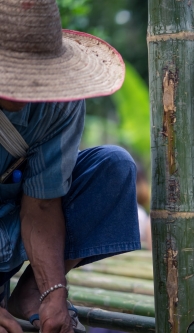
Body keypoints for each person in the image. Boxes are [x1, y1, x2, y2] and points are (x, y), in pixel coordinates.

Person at [0, 1, 141, 333]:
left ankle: (33, 292)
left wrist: (54, 292)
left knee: (114, 166)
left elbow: (43, 203)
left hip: (14, 223)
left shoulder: (60, 102)